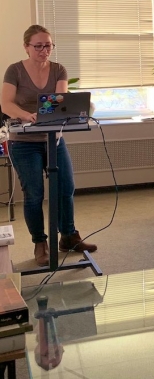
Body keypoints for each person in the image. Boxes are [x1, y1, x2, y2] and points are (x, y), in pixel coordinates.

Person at [1, 25, 96, 267]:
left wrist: (51, 113)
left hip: (54, 138)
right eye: (39, 46)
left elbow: (59, 102)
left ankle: (68, 236)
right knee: (34, 194)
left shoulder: (59, 69)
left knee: (66, 187)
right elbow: (5, 104)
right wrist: (26, 115)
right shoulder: (15, 71)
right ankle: (40, 243)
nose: (45, 50)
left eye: (48, 45)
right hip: (23, 143)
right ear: (26, 47)